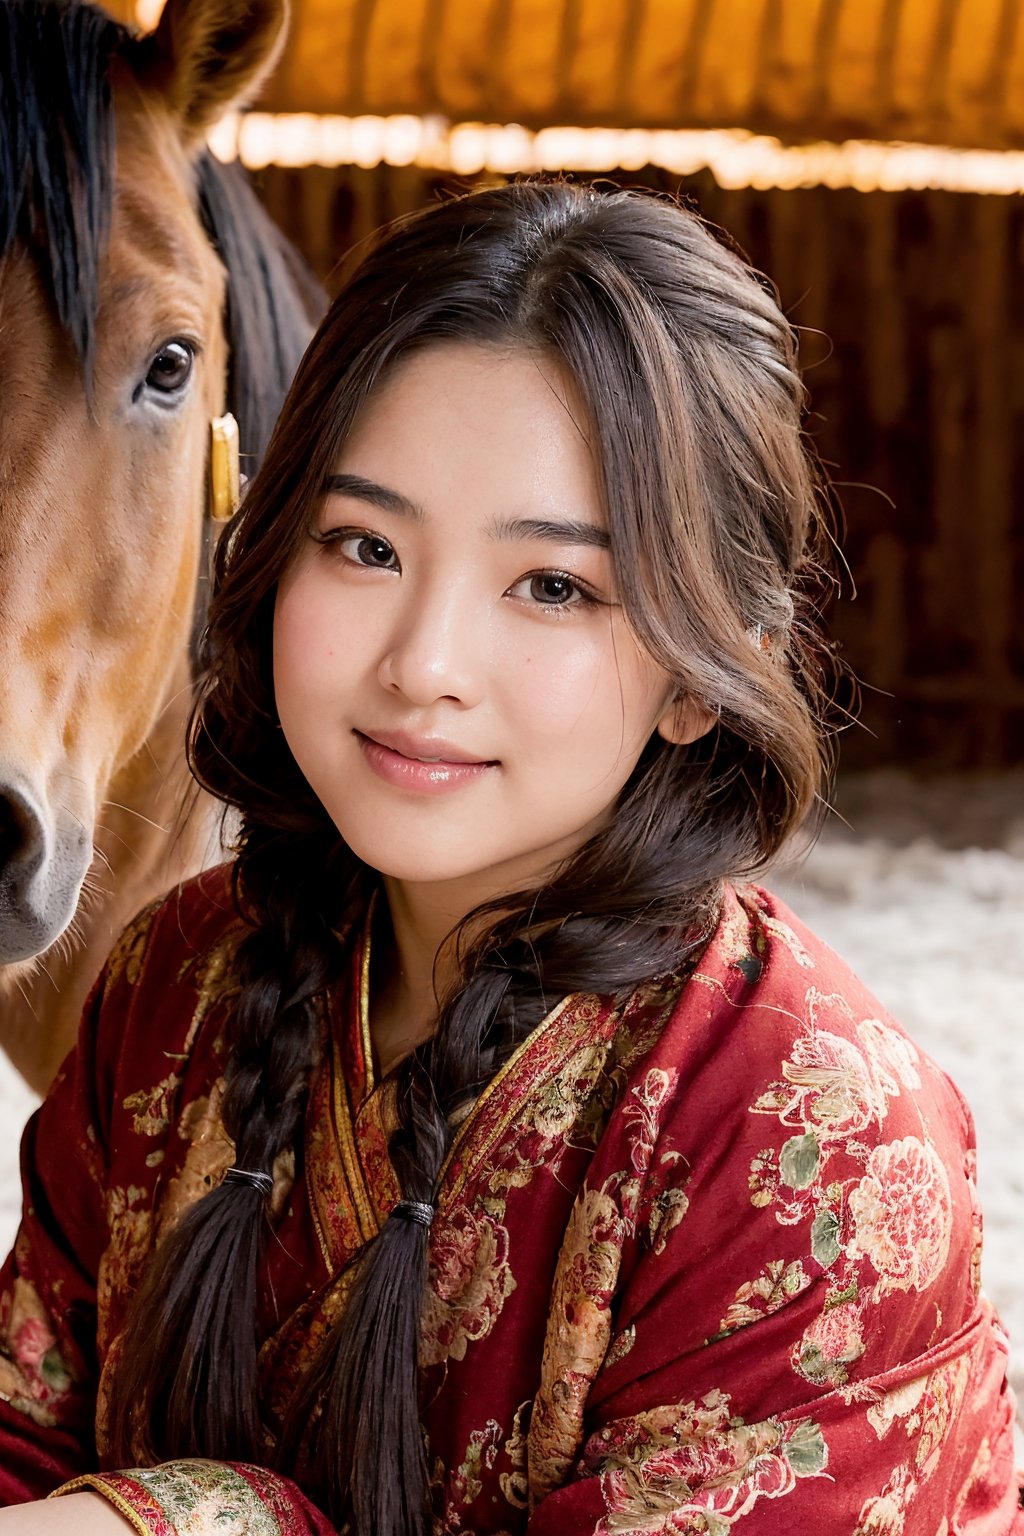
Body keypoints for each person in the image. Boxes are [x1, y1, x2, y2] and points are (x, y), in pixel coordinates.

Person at [0, 179, 1017, 1536]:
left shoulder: (809, 1135)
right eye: (363, 546)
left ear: (707, 668)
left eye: (554, 587)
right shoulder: (181, 980)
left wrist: (212, 1520)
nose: (422, 664)